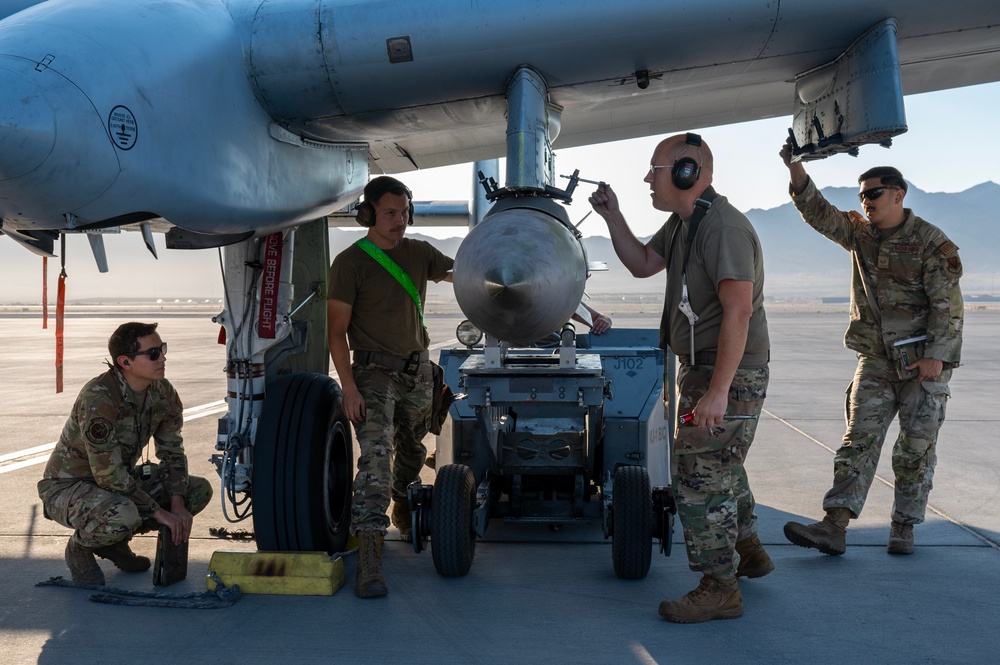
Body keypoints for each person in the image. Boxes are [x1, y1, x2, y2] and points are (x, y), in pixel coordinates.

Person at [590, 132, 771, 623]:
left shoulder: (724, 230)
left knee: (697, 477)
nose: (648, 178)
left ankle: (720, 586)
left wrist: (716, 392)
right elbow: (643, 264)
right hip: (704, 367)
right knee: (723, 462)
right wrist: (613, 216)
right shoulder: (685, 224)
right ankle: (748, 549)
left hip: (725, 370)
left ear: (688, 173)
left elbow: (738, 314)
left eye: (656, 169)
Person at [778, 139, 963, 556]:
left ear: (899, 194)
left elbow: (947, 307)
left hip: (923, 365)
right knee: (857, 441)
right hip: (877, 360)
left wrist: (937, 355)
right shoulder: (861, 236)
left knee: (915, 449)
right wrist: (795, 168)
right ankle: (834, 525)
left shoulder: (932, 244)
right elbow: (819, 214)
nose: (866, 201)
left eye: (874, 193)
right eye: (861, 195)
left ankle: (903, 527)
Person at [327, 175, 454, 598]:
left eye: (404, 212)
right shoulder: (350, 263)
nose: (400, 221)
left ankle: (403, 500)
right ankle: (369, 555)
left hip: (417, 374)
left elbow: (461, 273)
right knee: (376, 462)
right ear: (368, 215)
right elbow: (336, 333)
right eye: (390, 214)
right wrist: (348, 387)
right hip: (373, 376)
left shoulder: (418, 253)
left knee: (414, 451)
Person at [37, 322, 213, 586]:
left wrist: (177, 504)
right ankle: (80, 548)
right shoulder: (100, 398)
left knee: (196, 491)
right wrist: (157, 511)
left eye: (162, 349)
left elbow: (172, 450)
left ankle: (113, 544)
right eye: (153, 353)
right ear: (126, 362)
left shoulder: (163, 392)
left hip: (117, 483)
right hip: (69, 488)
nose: (163, 357)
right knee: (123, 513)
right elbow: (108, 474)